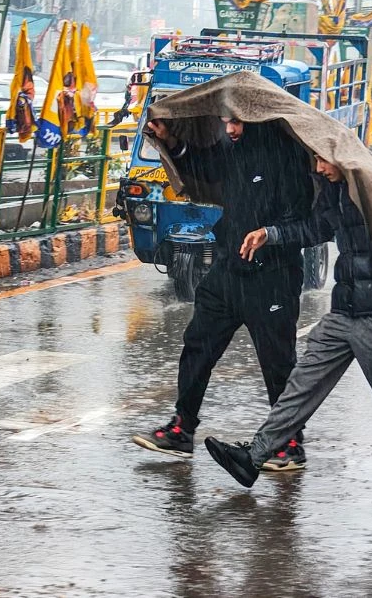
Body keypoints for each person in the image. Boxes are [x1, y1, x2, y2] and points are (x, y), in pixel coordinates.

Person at [204, 155, 372, 494]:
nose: (318, 168)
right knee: (302, 384)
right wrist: (270, 234)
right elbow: (315, 229)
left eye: (323, 161)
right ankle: (252, 459)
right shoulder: (333, 191)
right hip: (343, 313)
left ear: (342, 156)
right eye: (313, 160)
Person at [132, 116, 315, 471]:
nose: (230, 130)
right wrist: (169, 140)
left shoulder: (289, 157)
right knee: (197, 344)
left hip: (273, 277)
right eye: (227, 121)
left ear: (260, 120)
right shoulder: (232, 150)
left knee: (278, 362)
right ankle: (182, 428)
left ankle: (289, 442)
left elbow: (307, 223)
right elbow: (202, 167)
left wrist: (270, 233)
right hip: (228, 270)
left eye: (239, 123)